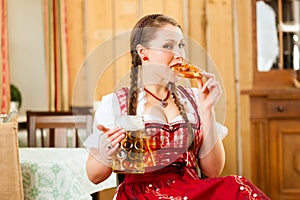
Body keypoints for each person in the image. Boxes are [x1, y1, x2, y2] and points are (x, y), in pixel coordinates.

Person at [84, 14, 270, 200]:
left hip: (191, 190)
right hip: (141, 194)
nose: (180, 55)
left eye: (181, 45)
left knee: (239, 187)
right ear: (143, 53)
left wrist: (207, 110)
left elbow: (213, 170)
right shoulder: (116, 103)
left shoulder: (194, 99)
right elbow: (94, 176)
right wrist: (106, 151)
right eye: (168, 46)